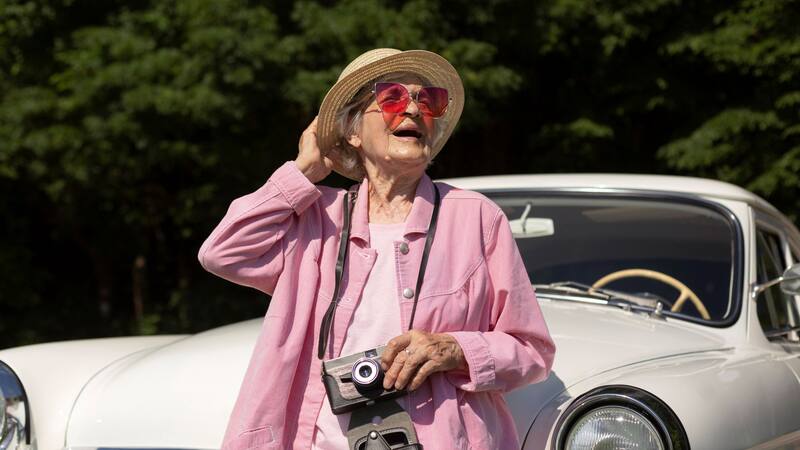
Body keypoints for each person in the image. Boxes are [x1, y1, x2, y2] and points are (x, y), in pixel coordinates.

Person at [198, 48, 555, 450]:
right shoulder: (316, 217)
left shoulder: (475, 218)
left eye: (428, 101)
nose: (414, 111)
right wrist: (303, 173)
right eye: (392, 98)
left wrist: (455, 349)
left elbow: (532, 351)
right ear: (352, 131)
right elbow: (222, 251)